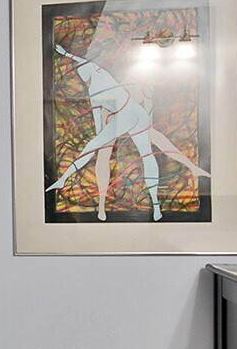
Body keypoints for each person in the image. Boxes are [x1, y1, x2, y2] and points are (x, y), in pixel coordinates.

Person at [47, 41, 208, 221]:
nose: (81, 72)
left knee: (99, 146)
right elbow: (97, 118)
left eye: (81, 69)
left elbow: (83, 64)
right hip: (134, 115)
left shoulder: (99, 76)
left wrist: (66, 54)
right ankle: (154, 206)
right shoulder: (97, 81)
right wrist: (66, 54)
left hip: (127, 116)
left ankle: (65, 179)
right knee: (144, 154)